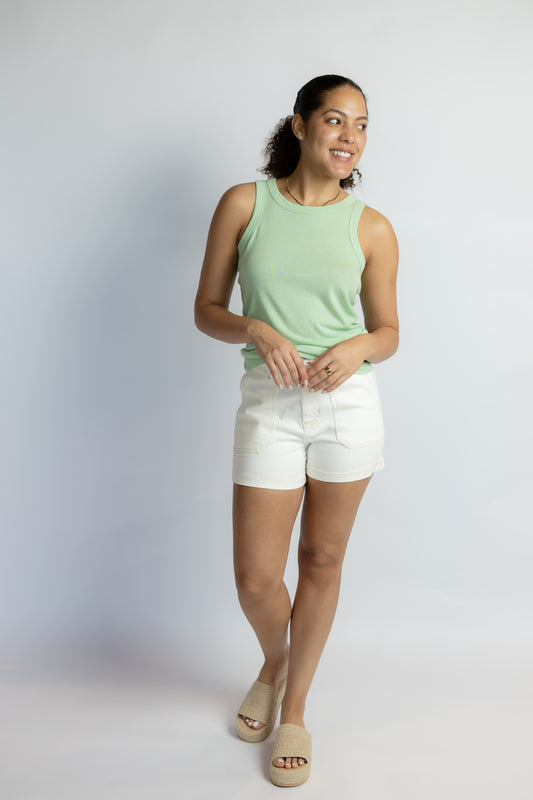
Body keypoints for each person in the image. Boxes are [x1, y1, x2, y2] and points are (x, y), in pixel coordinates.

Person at [194, 74, 399, 787]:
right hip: (268, 401)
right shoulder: (243, 204)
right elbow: (205, 309)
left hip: (346, 408)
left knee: (320, 561)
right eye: (336, 121)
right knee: (255, 579)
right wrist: (254, 326)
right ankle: (275, 664)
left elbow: (389, 332)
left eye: (361, 125)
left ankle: (296, 709)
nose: (349, 137)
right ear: (301, 125)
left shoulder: (369, 225)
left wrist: (357, 347)